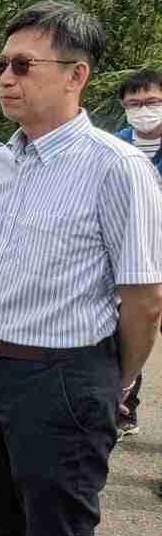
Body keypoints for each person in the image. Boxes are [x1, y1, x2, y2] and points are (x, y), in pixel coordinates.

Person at [0, 1, 162, 536]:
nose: (6, 78)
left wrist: (108, 384)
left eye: (24, 66)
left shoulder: (117, 169)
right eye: (1, 65)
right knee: (0, 531)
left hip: (63, 379)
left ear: (77, 75)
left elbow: (144, 299)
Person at [112, 68, 162, 439]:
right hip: (131, 258)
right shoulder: (115, 147)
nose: (143, 109)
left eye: (152, 102)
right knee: (128, 333)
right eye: (135, 103)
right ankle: (125, 408)